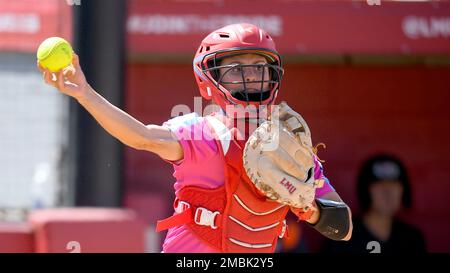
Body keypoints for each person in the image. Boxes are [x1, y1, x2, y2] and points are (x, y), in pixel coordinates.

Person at [38, 23, 352, 253]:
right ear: (209, 78)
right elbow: (142, 137)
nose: (251, 75)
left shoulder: (291, 146)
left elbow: (344, 227)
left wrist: (307, 206)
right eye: (236, 67)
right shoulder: (202, 131)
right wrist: (85, 94)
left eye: (259, 66)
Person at [321, 154, 426, 254]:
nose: (388, 193)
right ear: (366, 191)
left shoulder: (412, 239)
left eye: (394, 185)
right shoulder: (341, 236)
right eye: (380, 185)